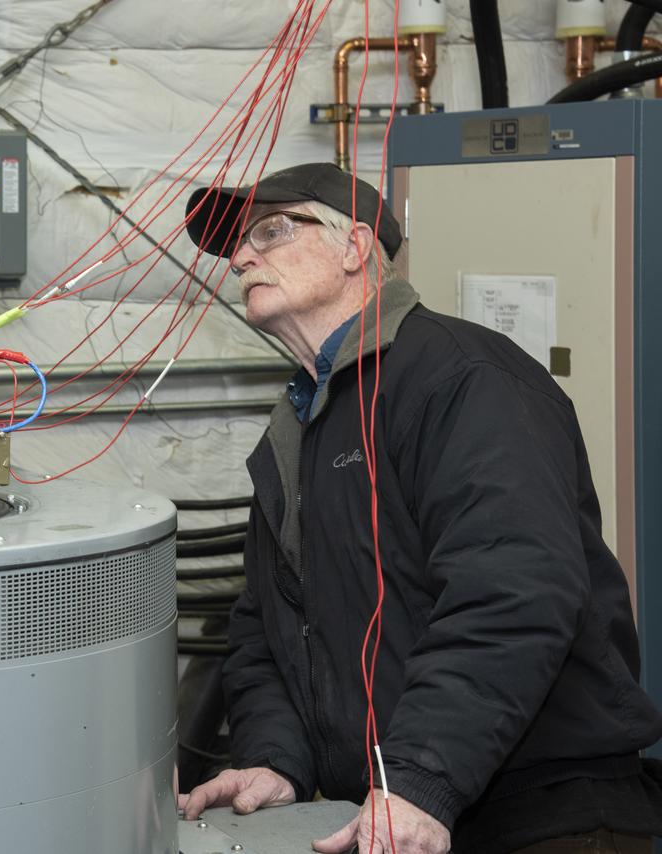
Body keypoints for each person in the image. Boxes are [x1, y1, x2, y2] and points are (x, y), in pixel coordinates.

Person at [176, 163, 662, 853]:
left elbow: (511, 592)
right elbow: (265, 628)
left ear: (354, 248)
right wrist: (276, 760)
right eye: (238, 246)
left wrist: (420, 776)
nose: (243, 256)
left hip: (544, 813)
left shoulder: (463, 381)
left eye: (273, 230)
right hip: (400, 809)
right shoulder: (296, 432)